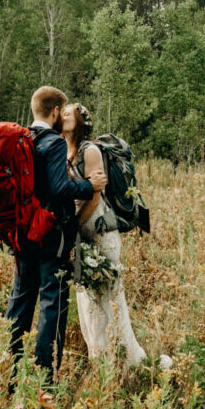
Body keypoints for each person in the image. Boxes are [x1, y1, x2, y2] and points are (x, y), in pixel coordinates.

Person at [5, 86, 108, 384]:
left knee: (20, 302)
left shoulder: (20, 138)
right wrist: (91, 186)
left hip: (21, 234)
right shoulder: (52, 142)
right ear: (53, 112)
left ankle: (12, 373)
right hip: (50, 236)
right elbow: (58, 189)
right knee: (52, 304)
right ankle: (44, 380)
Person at [62, 103, 172, 369]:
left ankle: (129, 363)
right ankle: (100, 359)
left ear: (81, 121)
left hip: (100, 233)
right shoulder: (65, 150)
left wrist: (73, 225)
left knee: (110, 297)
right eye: (61, 112)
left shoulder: (90, 151)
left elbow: (94, 196)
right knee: (87, 300)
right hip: (82, 235)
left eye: (69, 113)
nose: (63, 115)